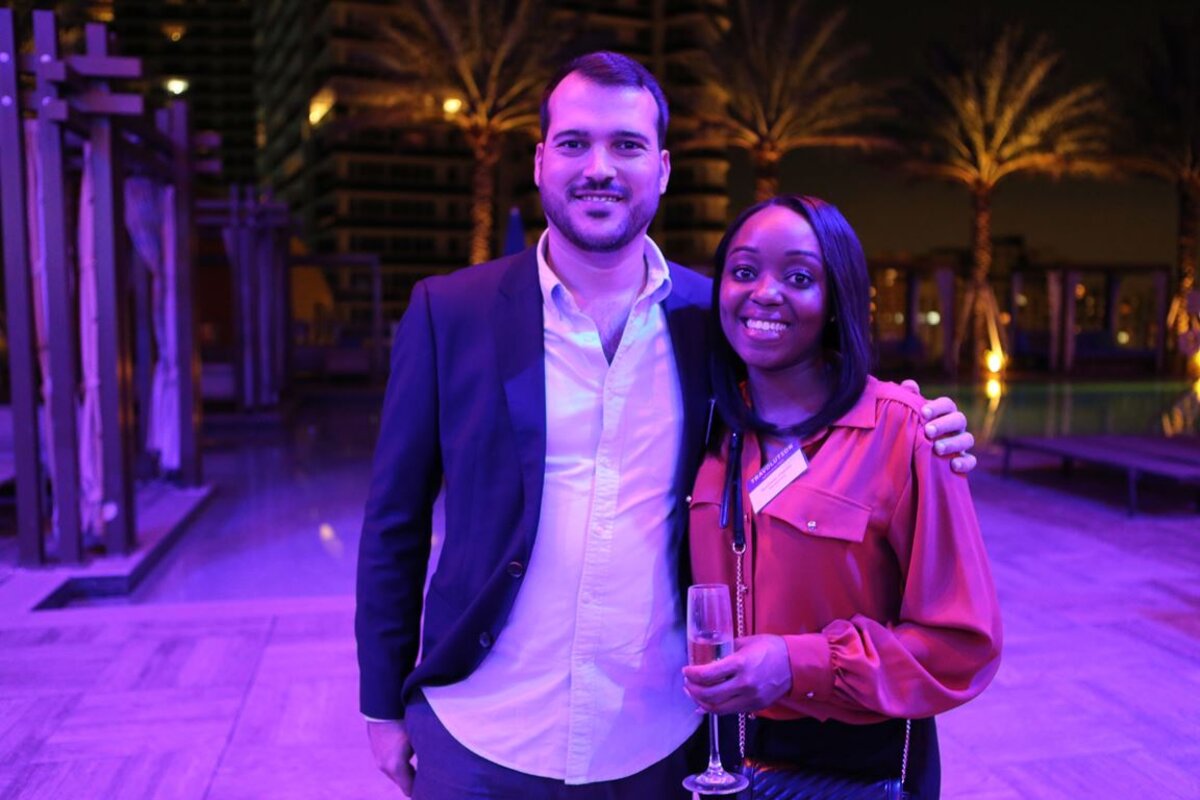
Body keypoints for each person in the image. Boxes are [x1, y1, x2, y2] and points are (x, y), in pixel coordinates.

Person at [356, 52, 977, 799]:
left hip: (658, 741)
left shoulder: (712, 318)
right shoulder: (449, 312)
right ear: (541, 160)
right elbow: (394, 522)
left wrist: (920, 419)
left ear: (663, 167)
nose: (599, 167)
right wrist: (380, 704)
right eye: (575, 142)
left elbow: (815, 392)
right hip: (479, 730)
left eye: (626, 145)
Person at [682, 195, 1003, 798]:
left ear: (837, 299)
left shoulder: (906, 432)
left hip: (858, 772)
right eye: (744, 271)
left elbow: (962, 645)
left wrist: (798, 663)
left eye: (799, 277)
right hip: (723, 766)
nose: (765, 293)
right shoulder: (707, 428)